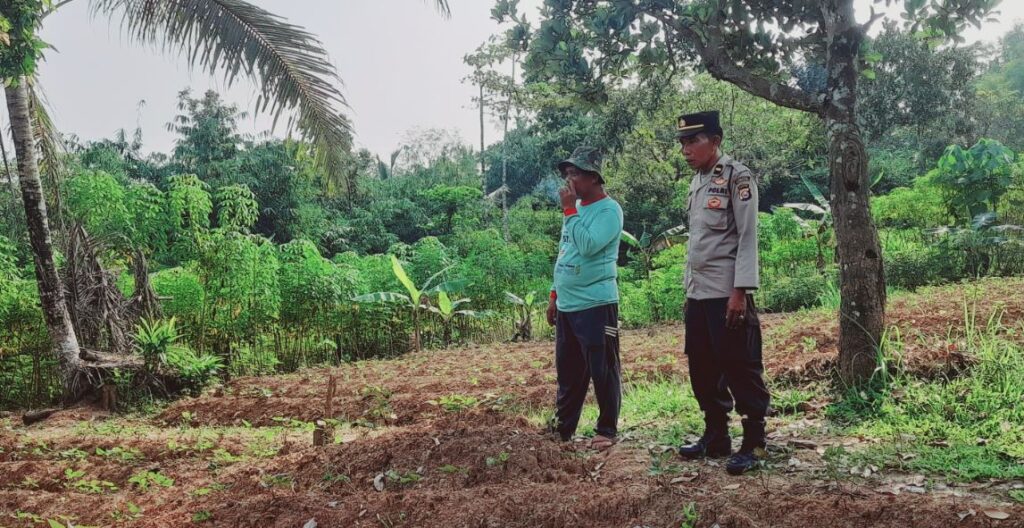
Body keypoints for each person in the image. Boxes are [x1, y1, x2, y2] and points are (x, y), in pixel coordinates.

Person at [675, 111, 771, 475]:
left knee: (739, 366)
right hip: (699, 294)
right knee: (701, 366)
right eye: (682, 143)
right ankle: (716, 435)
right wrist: (689, 291)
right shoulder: (698, 181)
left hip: (727, 293)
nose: (685, 149)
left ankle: (754, 442)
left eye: (692, 141)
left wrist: (741, 291)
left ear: (714, 141)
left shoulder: (737, 177)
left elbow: (747, 237)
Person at [544, 146, 624, 451]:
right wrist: (554, 294)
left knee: (602, 367)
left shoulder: (608, 211)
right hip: (568, 303)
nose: (568, 180)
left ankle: (607, 429)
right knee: (569, 371)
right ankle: (563, 429)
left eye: (574, 173)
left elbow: (589, 246)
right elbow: (566, 251)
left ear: (593, 177)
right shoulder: (575, 211)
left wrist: (569, 210)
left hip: (596, 304)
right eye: (567, 173)